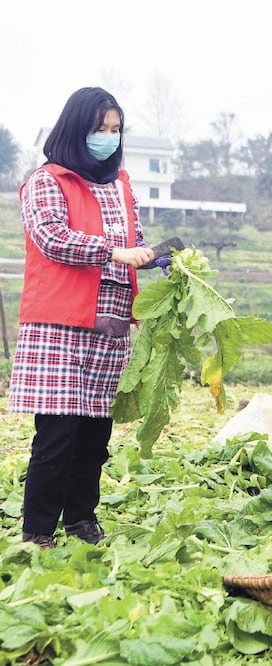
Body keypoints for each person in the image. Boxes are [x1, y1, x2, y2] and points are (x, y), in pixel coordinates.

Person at [10, 87, 157, 549]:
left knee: (94, 435)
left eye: (115, 130)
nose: (108, 138)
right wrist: (115, 251)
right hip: (60, 324)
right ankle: (38, 532)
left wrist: (155, 257)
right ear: (77, 129)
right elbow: (52, 238)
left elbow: (134, 239)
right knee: (58, 435)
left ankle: (81, 521)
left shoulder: (121, 184)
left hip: (110, 325)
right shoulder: (46, 181)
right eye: (100, 129)